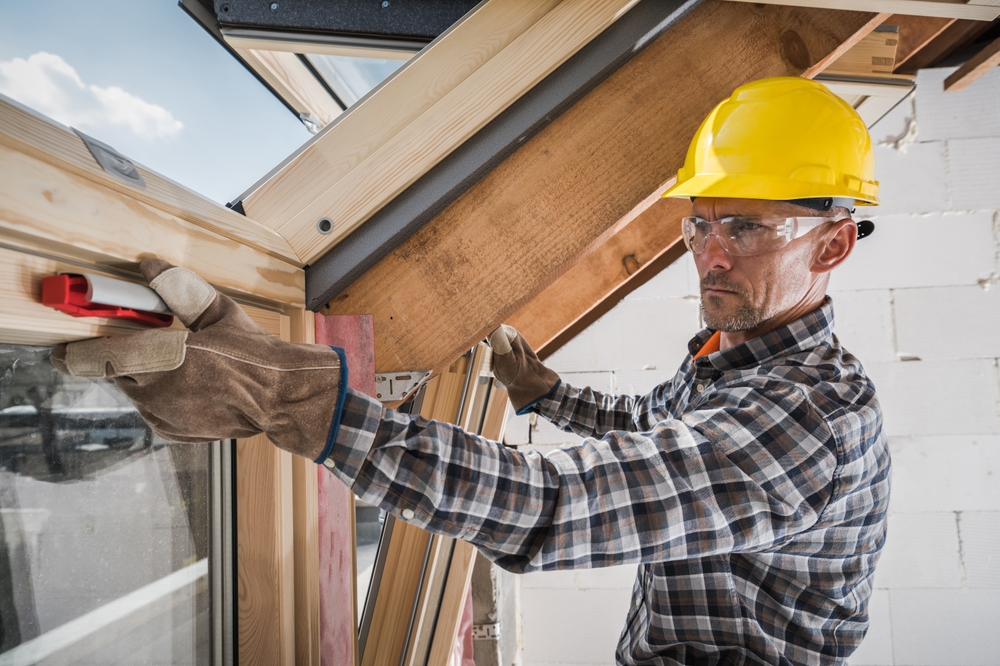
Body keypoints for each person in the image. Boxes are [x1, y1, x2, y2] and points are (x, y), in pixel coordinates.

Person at [51, 77, 890, 665]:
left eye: (743, 229)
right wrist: (549, 394)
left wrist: (296, 399)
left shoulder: (814, 418)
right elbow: (653, 434)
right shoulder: (731, 362)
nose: (707, 257)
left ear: (832, 244)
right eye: (698, 226)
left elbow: (559, 505)